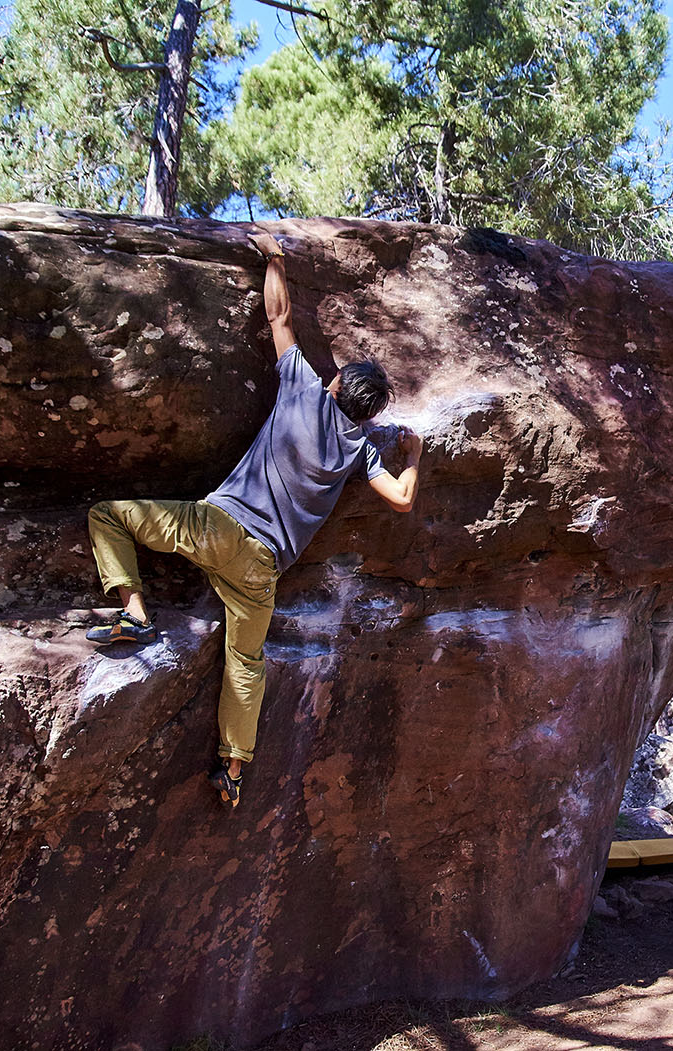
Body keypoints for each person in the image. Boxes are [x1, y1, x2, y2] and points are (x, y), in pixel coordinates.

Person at [84, 230, 423, 809]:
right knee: (245, 661)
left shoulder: (302, 390)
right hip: (262, 568)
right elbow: (402, 499)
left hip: (218, 527)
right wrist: (412, 456)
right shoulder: (361, 449)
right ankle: (233, 770)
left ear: (339, 384)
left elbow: (279, 315)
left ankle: (135, 615)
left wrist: (275, 256)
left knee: (108, 516)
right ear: (365, 412)